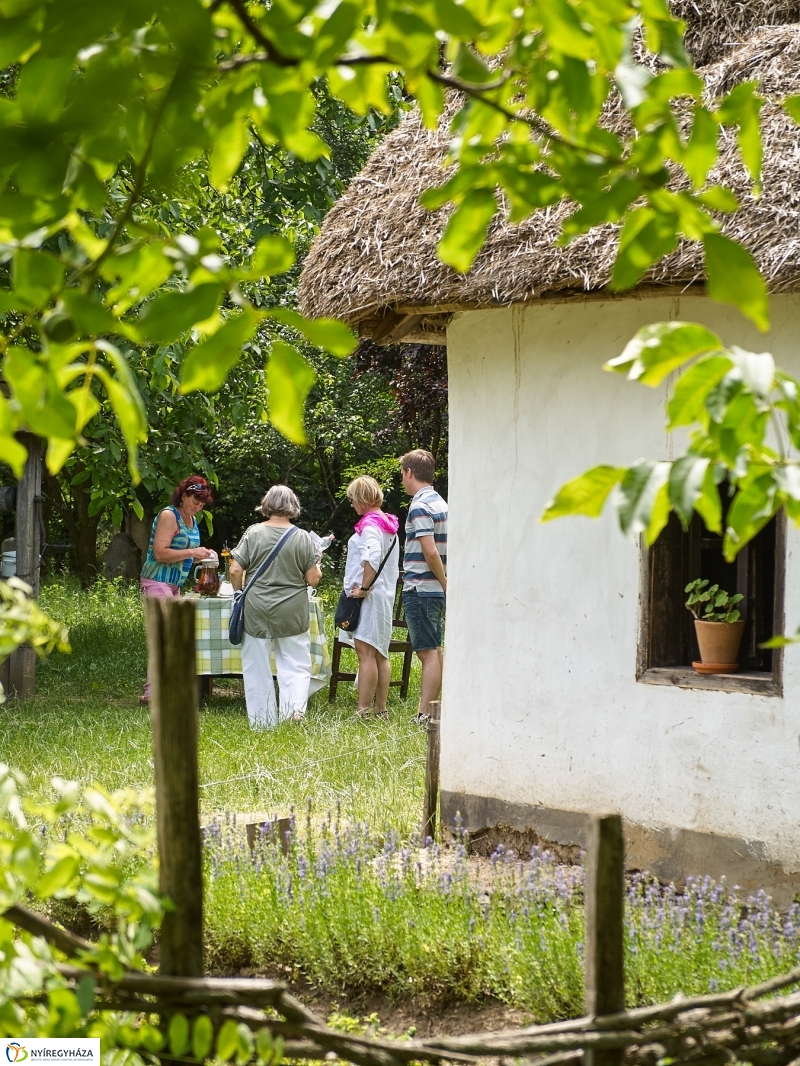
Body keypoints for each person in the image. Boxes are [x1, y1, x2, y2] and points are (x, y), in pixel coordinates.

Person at [229, 485, 321, 729]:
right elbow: (313, 579)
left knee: (256, 666)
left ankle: (262, 723)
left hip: (257, 608)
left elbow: (235, 570)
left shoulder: (253, 533)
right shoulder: (302, 537)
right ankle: (294, 713)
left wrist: (238, 593)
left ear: (266, 504)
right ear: (293, 506)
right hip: (292, 610)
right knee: (296, 664)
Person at [140, 475, 215, 704]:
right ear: (183, 495)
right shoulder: (168, 515)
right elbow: (160, 553)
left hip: (174, 585)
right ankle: (153, 693)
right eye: (195, 501)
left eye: (201, 505)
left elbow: (185, 555)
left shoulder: (191, 520)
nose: (197, 507)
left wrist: (205, 556)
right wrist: (193, 552)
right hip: (157, 580)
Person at [340, 476, 400, 719]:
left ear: (363, 499)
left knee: (366, 654)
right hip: (384, 595)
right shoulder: (388, 525)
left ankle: (363, 710)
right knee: (380, 654)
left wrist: (364, 587)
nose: (351, 503)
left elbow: (372, 555)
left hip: (369, 597)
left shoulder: (370, 525)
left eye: (353, 499)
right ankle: (381, 709)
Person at [400, 449, 447, 722]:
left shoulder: (420, 506)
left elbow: (430, 551)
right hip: (434, 590)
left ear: (410, 472)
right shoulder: (441, 503)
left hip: (421, 587)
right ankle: (436, 710)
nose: (402, 480)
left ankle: (425, 714)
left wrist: (444, 581)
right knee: (435, 649)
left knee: (427, 653)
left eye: (402, 474)